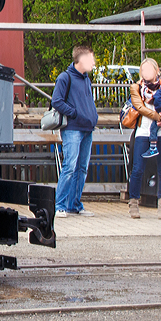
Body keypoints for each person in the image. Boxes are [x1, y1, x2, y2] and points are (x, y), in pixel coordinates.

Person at [127, 59, 161, 219]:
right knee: (137, 169)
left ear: (156, 70)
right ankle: (133, 203)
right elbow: (141, 108)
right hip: (143, 131)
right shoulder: (137, 88)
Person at [51, 44, 99, 218]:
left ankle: (75, 204)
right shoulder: (65, 78)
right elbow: (56, 101)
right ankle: (60, 205)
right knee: (70, 167)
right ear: (82, 60)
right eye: (91, 59)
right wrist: (74, 113)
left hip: (87, 128)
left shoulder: (86, 79)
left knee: (82, 168)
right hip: (73, 128)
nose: (93, 63)